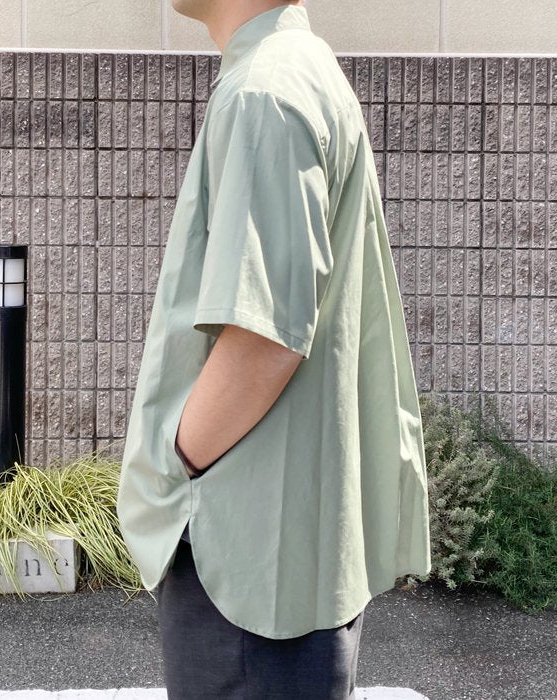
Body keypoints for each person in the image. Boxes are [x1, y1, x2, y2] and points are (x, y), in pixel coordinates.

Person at [116, 1, 432, 698]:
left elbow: (264, 339)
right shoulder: (300, 71)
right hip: (282, 547)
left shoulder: (265, 91)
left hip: (245, 557)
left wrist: (176, 463)